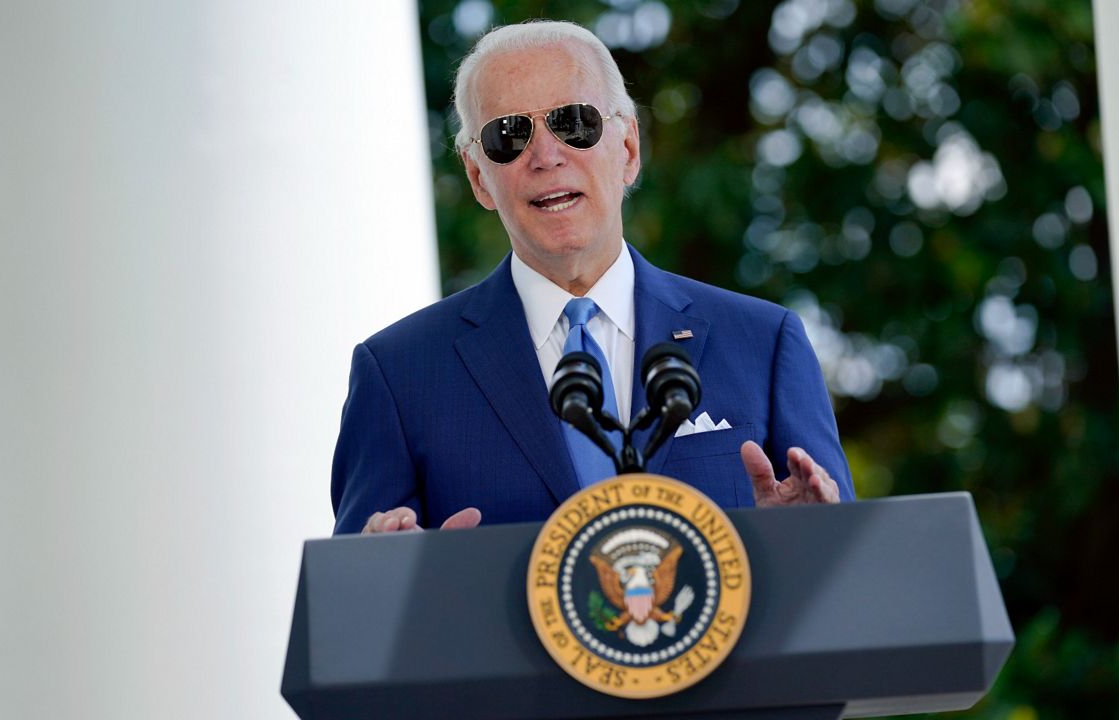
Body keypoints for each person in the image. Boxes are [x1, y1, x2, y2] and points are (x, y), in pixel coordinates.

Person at [330, 20, 853, 536]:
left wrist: (810, 543)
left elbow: (852, 575)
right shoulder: (399, 375)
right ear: (477, 177)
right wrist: (394, 577)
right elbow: (353, 605)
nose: (545, 156)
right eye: (508, 135)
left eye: (574, 122)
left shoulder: (763, 343)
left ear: (627, 149)